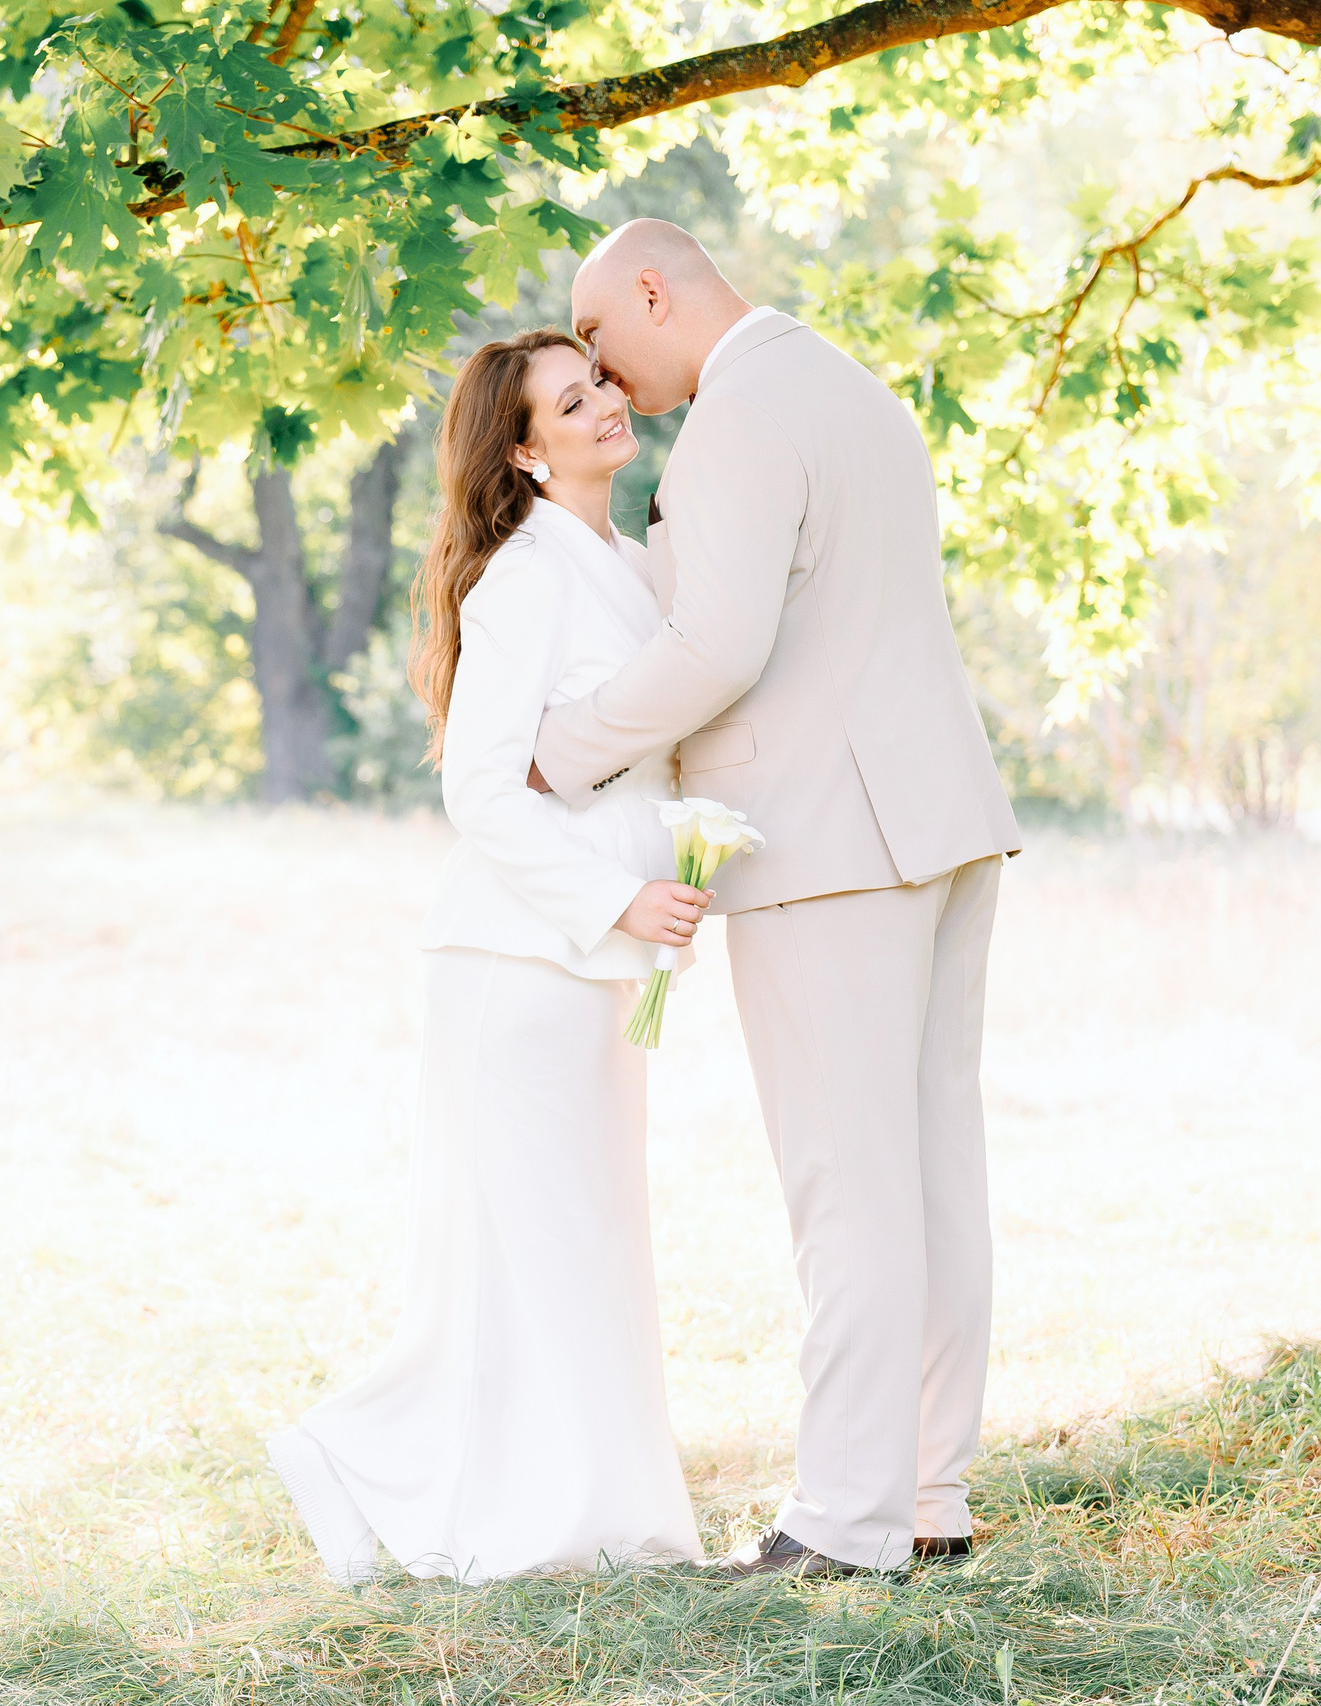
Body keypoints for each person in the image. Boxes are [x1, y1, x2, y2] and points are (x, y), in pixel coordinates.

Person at [532, 220, 1023, 1578]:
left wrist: (559, 753)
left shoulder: (739, 415)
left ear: (653, 290)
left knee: (845, 1184)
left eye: (599, 337)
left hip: (828, 838)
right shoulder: (850, 387)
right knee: (933, 1170)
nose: (601, 374)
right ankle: (925, 1493)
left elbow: (717, 643)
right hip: (937, 816)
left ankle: (845, 1519)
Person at [264, 328, 710, 1585]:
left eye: (600, 381)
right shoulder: (524, 579)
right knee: (537, 1244)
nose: (606, 402)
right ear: (522, 452)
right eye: (571, 402)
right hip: (521, 961)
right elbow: (481, 789)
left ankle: (591, 1515)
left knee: (581, 1243)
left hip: (595, 962)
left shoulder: (627, 565)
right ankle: (361, 1452)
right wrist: (619, 895)